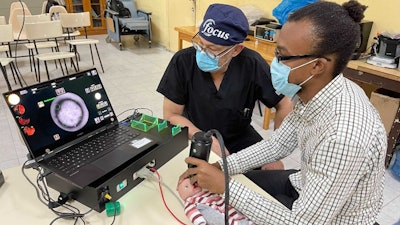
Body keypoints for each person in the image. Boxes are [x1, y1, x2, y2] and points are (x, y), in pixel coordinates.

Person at [179, 1, 387, 224]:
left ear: (317, 66)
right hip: (303, 184)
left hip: (332, 219)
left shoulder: (344, 136)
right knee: (236, 186)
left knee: (231, 196)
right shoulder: (316, 91)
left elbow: (302, 222)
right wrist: (221, 167)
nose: (273, 64)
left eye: (281, 56)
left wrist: (224, 185)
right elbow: (277, 144)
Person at [157, 4, 293, 169]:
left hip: (238, 135)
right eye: (200, 44)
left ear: (236, 50)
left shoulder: (252, 64)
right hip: (195, 133)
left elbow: (284, 103)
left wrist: (275, 146)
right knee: (198, 176)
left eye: (213, 50)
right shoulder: (183, 62)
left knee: (274, 167)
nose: (203, 53)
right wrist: (202, 137)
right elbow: (171, 115)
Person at [177, 177, 253, 225]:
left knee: (235, 211)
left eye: (193, 182)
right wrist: (200, 222)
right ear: (183, 196)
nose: (192, 184)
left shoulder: (206, 190)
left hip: (224, 207)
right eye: (186, 186)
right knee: (216, 218)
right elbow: (191, 212)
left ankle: (244, 220)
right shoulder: (190, 202)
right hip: (207, 208)